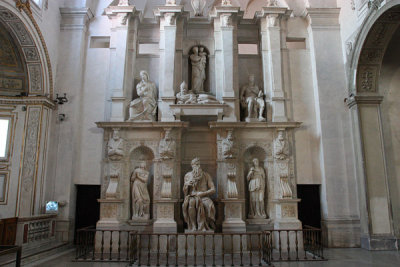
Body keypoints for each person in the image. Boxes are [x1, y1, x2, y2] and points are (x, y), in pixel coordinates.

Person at [182, 158, 216, 231]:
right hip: (192, 196)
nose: (198, 166)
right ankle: (193, 225)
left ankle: (204, 225)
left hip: (204, 197)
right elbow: (185, 191)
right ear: (192, 165)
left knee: (209, 205)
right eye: (196, 164)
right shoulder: (187, 175)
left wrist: (203, 193)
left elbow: (213, 189)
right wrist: (187, 185)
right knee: (191, 203)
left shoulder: (206, 175)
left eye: (199, 164)